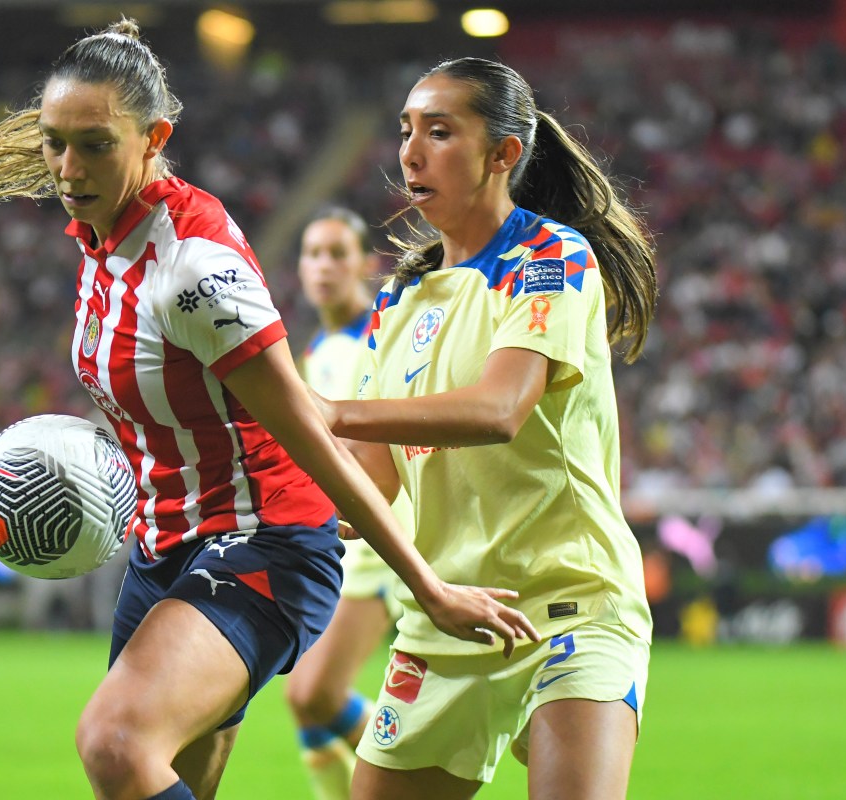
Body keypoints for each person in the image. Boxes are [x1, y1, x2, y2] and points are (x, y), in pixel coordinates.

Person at [0, 23, 538, 800]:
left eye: (95, 146)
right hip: (163, 548)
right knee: (145, 773)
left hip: (262, 543)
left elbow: (306, 428)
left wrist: (429, 587)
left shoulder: (192, 270)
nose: (68, 169)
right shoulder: (102, 239)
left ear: (154, 139)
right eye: (55, 144)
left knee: (114, 744)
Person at [311, 57, 659, 800]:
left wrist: (331, 411)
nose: (410, 153)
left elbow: (500, 411)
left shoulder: (550, 257)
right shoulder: (399, 298)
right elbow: (369, 479)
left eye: (439, 132)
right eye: (406, 130)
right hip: (446, 617)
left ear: (503, 153)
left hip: (570, 605)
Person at [285, 207, 414, 800]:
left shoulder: (384, 333)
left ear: (366, 263)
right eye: (313, 254)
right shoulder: (318, 347)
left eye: (337, 254)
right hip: (330, 535)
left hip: (377, 539)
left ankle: (414, 778)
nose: (323, 267)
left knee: (315, 694)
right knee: (305, 701)